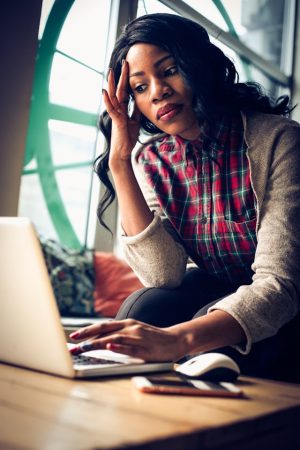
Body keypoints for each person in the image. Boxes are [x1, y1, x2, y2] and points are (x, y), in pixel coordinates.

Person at [70, 13, 300, 382]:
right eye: (140, 87)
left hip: (288, 304)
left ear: (201, 66)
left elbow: (280, 285)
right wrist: (120, 163)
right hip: (221, 287)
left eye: (170, 69)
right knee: (146, 307)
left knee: (200, 329)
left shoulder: (279, 141)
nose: (158, 90)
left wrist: (178, 340)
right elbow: (164, 274)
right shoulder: (153, 159)